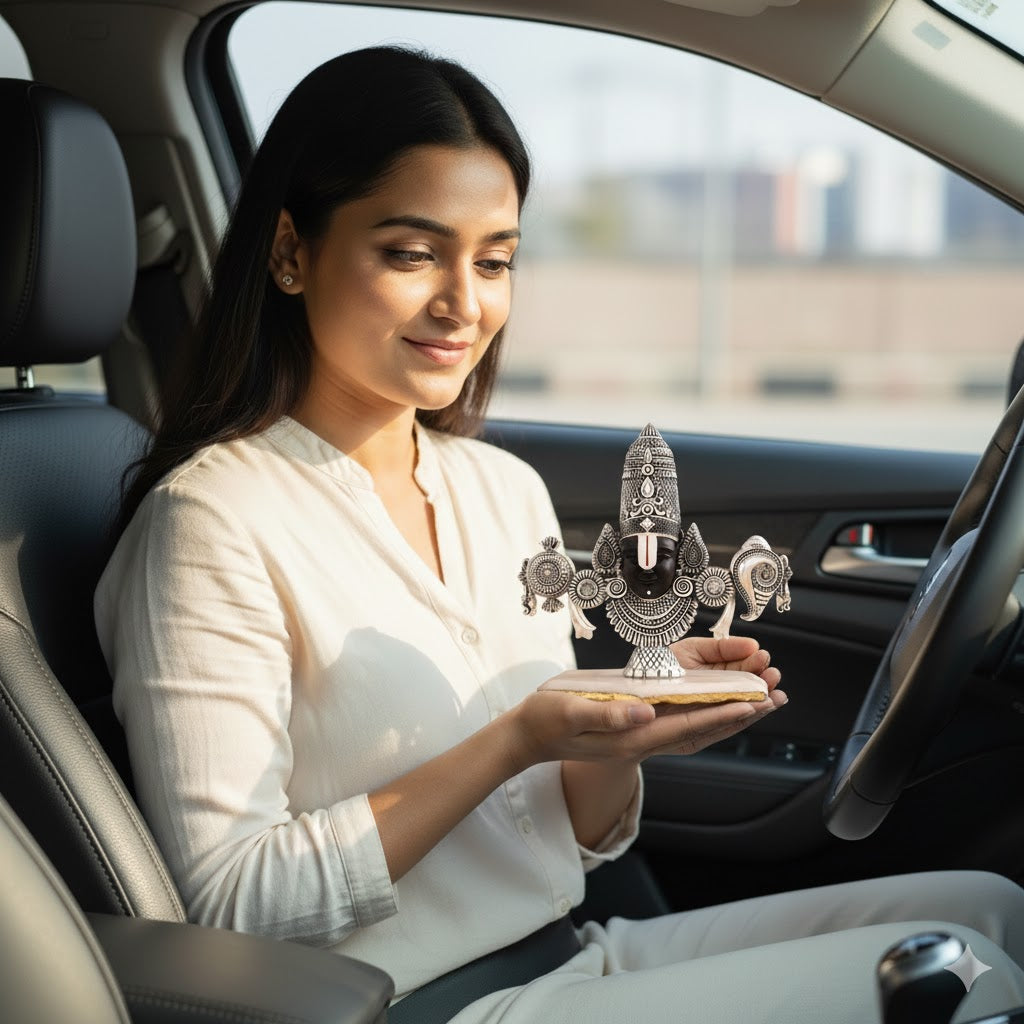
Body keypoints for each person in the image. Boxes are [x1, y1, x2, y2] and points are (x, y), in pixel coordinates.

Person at [95, 45, 1024, 1024]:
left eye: (494, 260)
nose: (464, 304)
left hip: (566, 957)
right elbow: (230, 905)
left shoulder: (501, 489)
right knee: (970, 974)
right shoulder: (210, 523)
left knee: (991, 911)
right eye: (412, 254)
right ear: (290, 251)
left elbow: (578, 838)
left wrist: (614, 730)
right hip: (409, 1003)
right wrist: (513, 740)